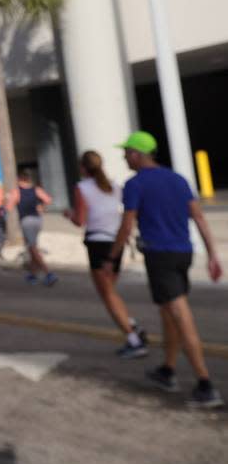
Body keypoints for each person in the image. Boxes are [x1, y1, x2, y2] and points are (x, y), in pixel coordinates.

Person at [110, 131, 224, 409]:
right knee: (167, 311)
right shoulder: (178, 179)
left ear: (138, 154)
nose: (124, 156)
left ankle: (205, 384)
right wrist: (212, 254)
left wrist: (112, 257)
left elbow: (127, 225)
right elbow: (198, 216)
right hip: (182, 253)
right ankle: (168, 370)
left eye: (127, 152)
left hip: (160, 256)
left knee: (179, 314)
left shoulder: (134, 185)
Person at [69, 150, 148, 359]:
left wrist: (69, 214)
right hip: (116, 242)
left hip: (98, 242)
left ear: (83, 168)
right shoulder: (115, 187)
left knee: (107, 294)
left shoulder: (82, 187)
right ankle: (131, 324)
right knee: (110, 290)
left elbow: (80, 220)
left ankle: (133, 338)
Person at [9, 170, 57, 286]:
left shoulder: (17, 191)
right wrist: (41, 206)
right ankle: (33, 274)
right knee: (31, 247)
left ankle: (48, 272)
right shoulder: (36, 189)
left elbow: (9, 206)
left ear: (19, 179)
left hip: (26, 221)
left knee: (32, 247)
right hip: (37, 219)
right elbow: (48, 200)